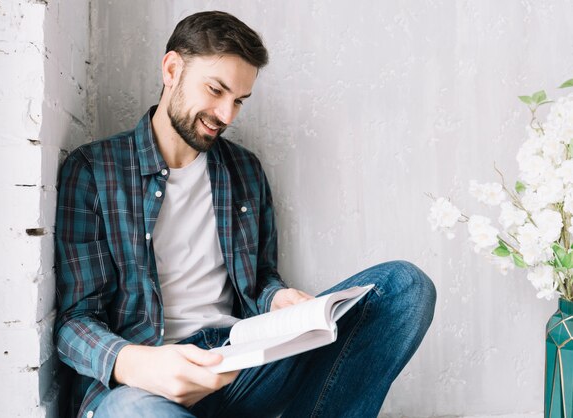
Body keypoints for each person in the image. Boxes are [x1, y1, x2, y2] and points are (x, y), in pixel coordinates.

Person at [54, 10, 436, 418]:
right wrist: (135, 362)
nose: (226, 116)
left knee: (406, 287)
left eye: (238, 101)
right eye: (216, 90)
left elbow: (259, 280)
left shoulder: (245, 171)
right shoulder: (94, 170)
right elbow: (75, 320)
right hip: (149, 384)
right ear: (171, 69)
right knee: (133, 413)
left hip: (241, 364)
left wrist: (277, 299)